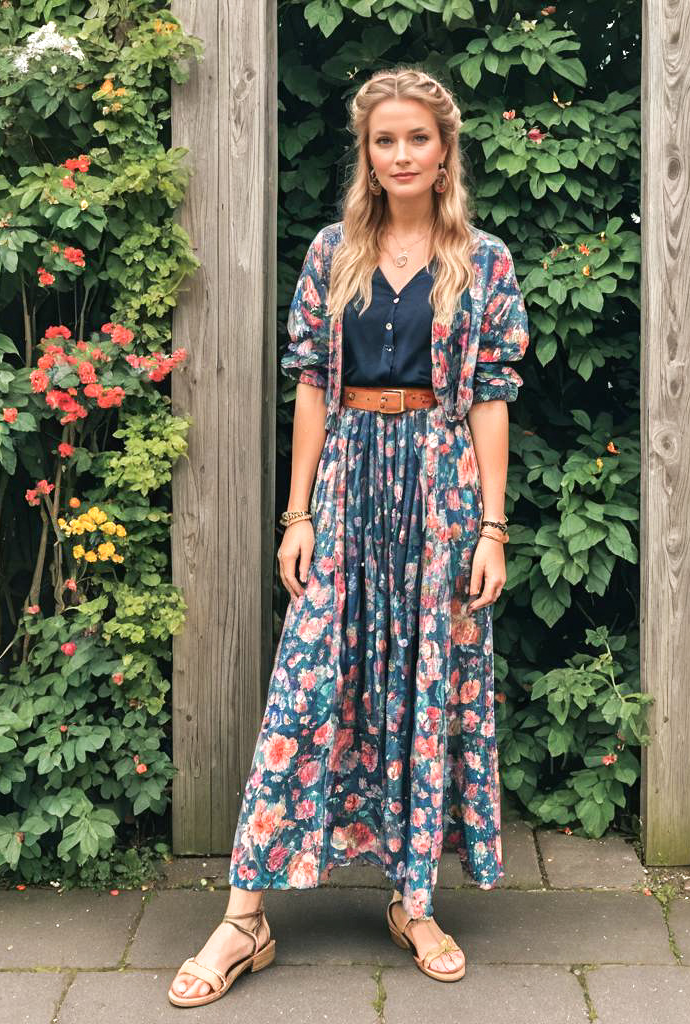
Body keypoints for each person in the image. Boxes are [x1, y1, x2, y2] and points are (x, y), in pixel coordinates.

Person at [168, 65, 529, 1008]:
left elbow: (493, 399)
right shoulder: (333, 250)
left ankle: (413, 900)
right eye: (385, 139)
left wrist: (492, 527)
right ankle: (245, 919)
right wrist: (298, 516)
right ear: (366, 154)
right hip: (348, 483)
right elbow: (312, 388)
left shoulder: (483, 260)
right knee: (305, 686)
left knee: (425, 688)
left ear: (445, 148)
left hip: (442, 490)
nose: (401, 154)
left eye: (417, 137)